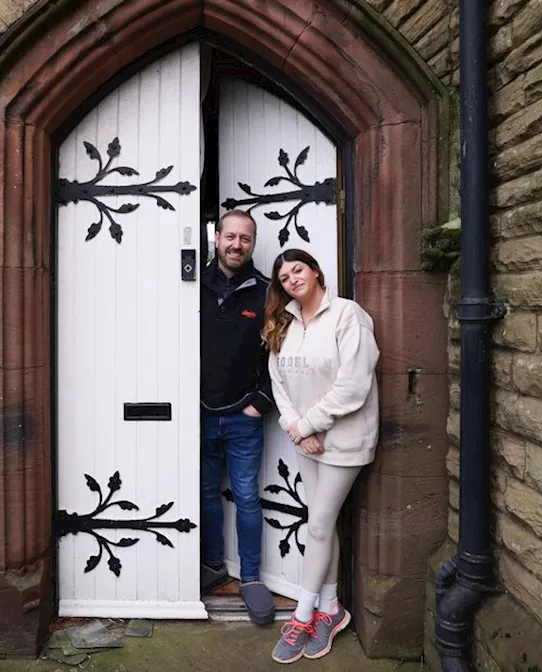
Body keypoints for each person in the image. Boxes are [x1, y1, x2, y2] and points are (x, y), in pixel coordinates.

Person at [262, 249, 380, 663]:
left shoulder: (348, 315)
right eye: (284, 275)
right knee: (321, 525)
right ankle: (331, 609)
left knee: (317, 526)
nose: (292, 278)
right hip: (305, 441)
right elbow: (278, 382)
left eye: (298, 269)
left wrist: (309, 424)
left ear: (315, 272)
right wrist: (296, 427)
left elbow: (354, 384)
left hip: (343, 442)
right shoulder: (285, 323)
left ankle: (302, 614)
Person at [200, 209, 276, 625]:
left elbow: (278, 350)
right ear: (216, 238)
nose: (236, 245)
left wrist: (260, 401)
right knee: (207, 494)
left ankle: (250, 578)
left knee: (247, 496)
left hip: (244, 416)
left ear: (253, 243)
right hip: (200, 416)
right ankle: (213, 566)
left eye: (245, 239)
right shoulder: (193, 283)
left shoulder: (265, 291)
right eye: (230, 236)